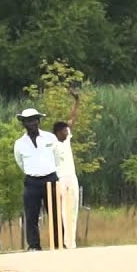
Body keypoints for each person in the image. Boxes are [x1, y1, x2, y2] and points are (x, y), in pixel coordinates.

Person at [13, 108, 60, 251]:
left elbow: (57, 158)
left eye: (34, 120)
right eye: (28, 121)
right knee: (31, 215)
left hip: (51, 179)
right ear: (24, 123)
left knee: (55, 213)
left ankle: (58, 243)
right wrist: (33, 172)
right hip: (32, 182)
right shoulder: (19, 143)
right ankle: (34, 245)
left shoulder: (50, 138)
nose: (32, 123)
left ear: (38, 121)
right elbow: (20, 162)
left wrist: (51, 172)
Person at [51, 91, 81, 248]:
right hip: (60, 179)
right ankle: (64, 241)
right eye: (63, 130)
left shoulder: (67, 139)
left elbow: (72, 119)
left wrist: (76, 101)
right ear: (57, 132)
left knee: (73, 209)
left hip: (72, 177)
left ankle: (71, 242)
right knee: (63, 211)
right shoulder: (53, 143)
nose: (67, 132)